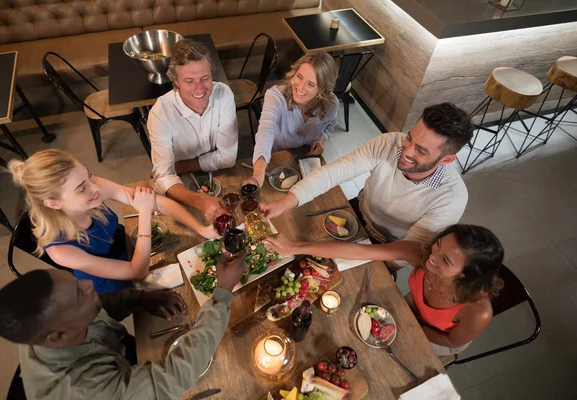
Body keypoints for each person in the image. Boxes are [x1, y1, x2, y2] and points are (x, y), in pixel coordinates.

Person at [0, 251, 246, 399]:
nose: (89, 284)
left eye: (75, 281)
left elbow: (101, 306)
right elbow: (175, 377)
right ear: (57, 336)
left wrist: (139, 298)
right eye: (79, 294)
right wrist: (222, 292)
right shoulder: (87, 389)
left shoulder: (56, 323)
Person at [262, 103, 473, 271]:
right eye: (409, 138)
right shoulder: (390, 143)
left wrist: (380, 267)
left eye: (421, 150)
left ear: (446, 159)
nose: (406, 151)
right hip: (357, 212)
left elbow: (406, 253)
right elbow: (333, 172)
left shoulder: (451, 197)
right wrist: (284, 203)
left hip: (388, 247)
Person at [265, 224, 504, 356]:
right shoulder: (421, 254)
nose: (431, 259)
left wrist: (400, 326)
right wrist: (296, 247)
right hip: (409, 309)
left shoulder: (478, 311)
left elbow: (449, 340)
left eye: (446, 262)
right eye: (438, 246)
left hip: (438, 338)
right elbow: (359, 252)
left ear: (466, 275)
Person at [9, 149, 215, 294]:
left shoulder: (91, 188)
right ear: (54, 204)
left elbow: (157, 202)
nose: (95, 187)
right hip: (115, 287)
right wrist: (144, 213)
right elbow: (137, 272)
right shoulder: (60, 250)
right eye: (81, 188)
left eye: (89, 177)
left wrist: (201, 229)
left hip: (131, 248)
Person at [148, 38, 238, 220]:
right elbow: (163, 177)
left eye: (205, 79)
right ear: (176, 81)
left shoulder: (224, 94)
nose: (199, 89)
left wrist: (181, 166)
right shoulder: (160, 113)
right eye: (189, 81)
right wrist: (203, 201)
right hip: (180, 183)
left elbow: (228, 158)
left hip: (209, 173)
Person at [251, 52, 339, 185]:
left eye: (310, 84)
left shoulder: (331, 103)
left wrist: (322, 139)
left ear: (322, 89)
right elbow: (265, 131)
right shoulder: (276, 97)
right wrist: (257, 175)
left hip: (306, 162)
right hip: (276, 160)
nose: (300, 87)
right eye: (299, 76)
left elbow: (331, 123)